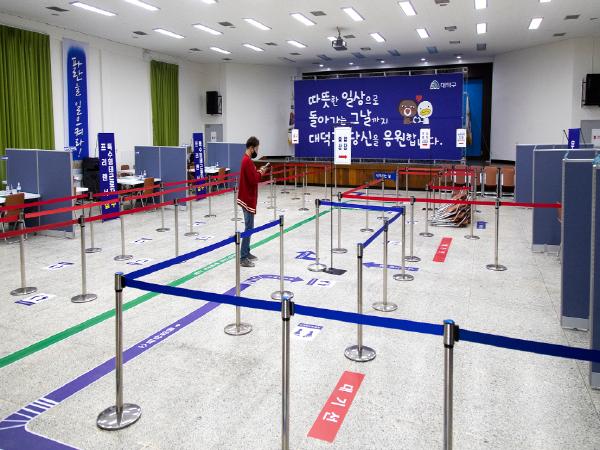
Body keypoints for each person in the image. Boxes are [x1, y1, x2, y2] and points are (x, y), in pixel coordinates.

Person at [237, 136, 270, 267]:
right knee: (249, 228)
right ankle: (243, 257)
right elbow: (254, 180)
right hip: (247, 199)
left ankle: (247, 251)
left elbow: (251, 176)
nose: (257, 151)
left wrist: (258, 171)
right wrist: (261, 172)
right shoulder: (247, 161)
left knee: (249, 227)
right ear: (252, 148)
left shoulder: (246, 160)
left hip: (247, 198)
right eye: (256, 148)